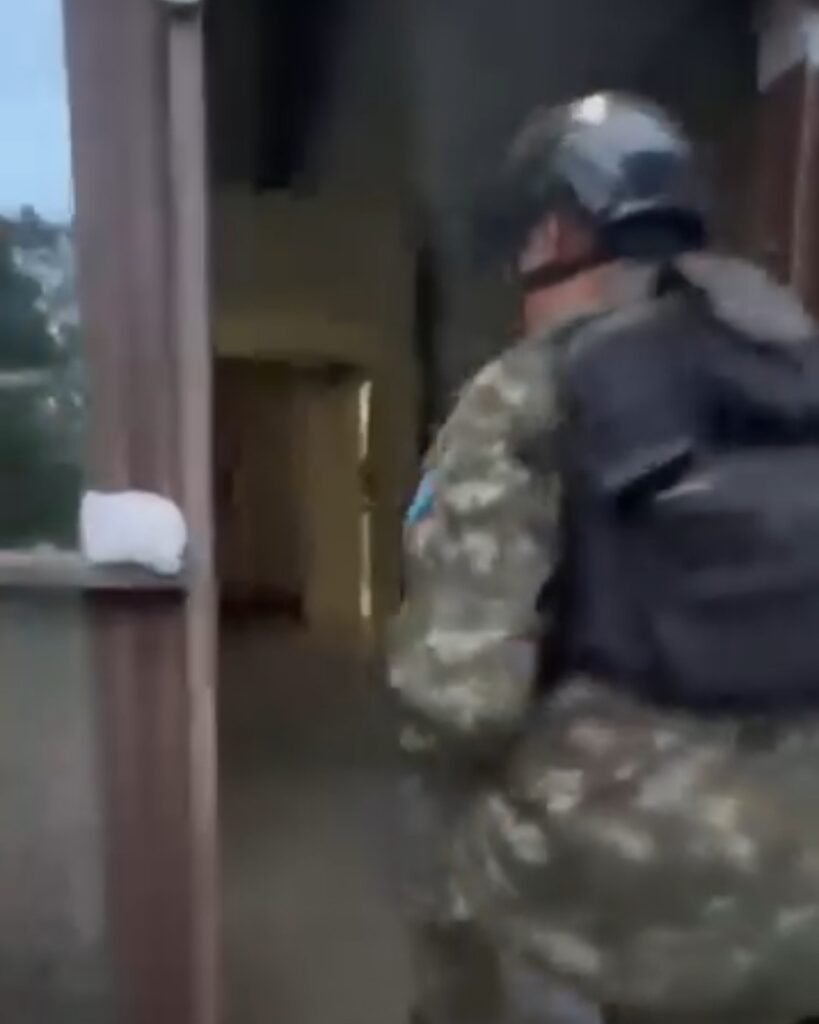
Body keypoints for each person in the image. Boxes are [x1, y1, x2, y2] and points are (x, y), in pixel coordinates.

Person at [389, 92, 819, 1024]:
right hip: (800, 911)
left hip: (613, 913)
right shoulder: (794, 369)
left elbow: (456, 700)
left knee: (432, 814)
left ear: (550, 234)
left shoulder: (526, 394)